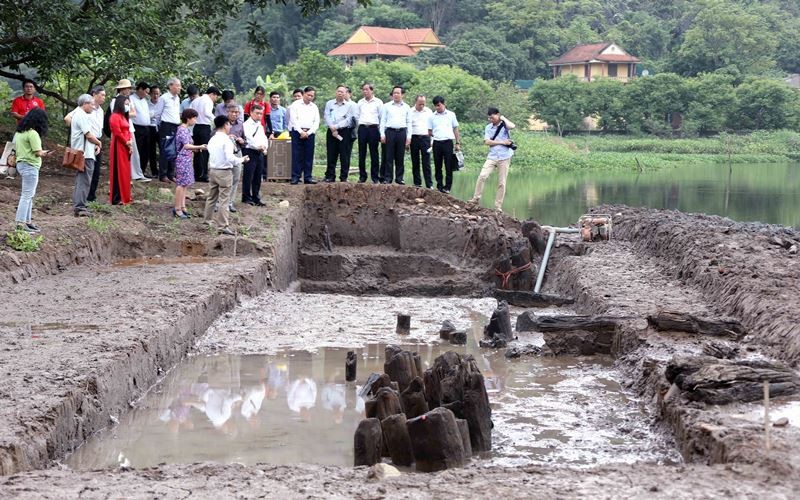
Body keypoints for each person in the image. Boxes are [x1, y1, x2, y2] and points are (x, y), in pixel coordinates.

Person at [204, 115, 249, 235]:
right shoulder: (226, 140)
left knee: (211, 197)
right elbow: (230, 158)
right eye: (229, 124)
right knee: (224, 200)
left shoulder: (212, 139)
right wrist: (242, 160)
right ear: (225, 125)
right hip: (224, 172)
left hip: (213, 170)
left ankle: (207, 221)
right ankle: (222, 226)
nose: (229, 126)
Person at [13, 108, 52, 233]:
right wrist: (46, 153)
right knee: (27, 195)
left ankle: (28, 221)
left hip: (21, 164)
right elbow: (38, 152)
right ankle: (20, 223)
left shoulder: (19, 133)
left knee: (29, 194)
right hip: (30, 166)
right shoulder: (33, 133)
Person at [65, 85, 106, 202]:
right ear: (94, 95)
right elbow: (68, 119)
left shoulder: (101, 110)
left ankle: (90, 197)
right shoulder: (81, 112)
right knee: (85, 175)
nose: (104, 98)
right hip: (88, 143)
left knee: (94, 172)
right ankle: (81, 202)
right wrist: (78, 131)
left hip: (95, 141)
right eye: (102, 95)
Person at [471, 108, 516, 211]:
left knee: (502, 182)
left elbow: (512, 126)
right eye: (489, 117)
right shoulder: (488, 128)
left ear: (498, 115)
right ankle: (476, 198)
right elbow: (487, 142)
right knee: (482, 176)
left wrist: (503, 118)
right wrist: (502, 142)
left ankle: (498, 206)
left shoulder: (505, 125)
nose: (491, 119)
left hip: (504, 156)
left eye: (493, 117)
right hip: (492, 156)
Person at [71, 94, 103, 217]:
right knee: (84, 180)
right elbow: (88, 135)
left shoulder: (78, 114)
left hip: (81, 151)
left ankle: (79, 204)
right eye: (91, 104)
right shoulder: (81, 115)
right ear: (85, 104)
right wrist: (98, 142)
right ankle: (80, 207)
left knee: (81, 179)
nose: (93, 107)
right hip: (85, 153)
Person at [173, 108, 206, 218]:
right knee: (181, 184)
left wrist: (195, 148)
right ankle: (177, 208)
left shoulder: (185, 129)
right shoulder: (182, 129)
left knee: (185, 184)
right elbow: (186, 145)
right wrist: (199, 146)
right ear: (188, 118)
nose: (195, 120)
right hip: (182, 159)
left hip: (186, 158)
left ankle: (182, 206)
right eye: (194, 118)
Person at [428, 95, 461, 194]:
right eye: (435, 106)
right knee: (438, 165)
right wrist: (437, 135)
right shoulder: (432, 116)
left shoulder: (451, 115)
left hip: (448, 142)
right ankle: (439, 186)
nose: (437, 107)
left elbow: (455, 129)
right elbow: (429, 131)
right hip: (437, 143)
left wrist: (457, 143)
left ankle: (448, 187)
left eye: (439, 105)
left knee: (448, 165)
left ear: (443, 104)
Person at [379, 86, 412, 185]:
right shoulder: (386, 106)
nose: (396, 95)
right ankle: (388, 178)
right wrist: (382, 134)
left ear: (402, 95)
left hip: (402, 132)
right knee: (388, 156)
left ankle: (399, 178)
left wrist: (409, 136)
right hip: (390, 132)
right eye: (394, 93)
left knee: (400, 156)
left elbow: (409, 122)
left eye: (398, 93)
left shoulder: (406, 107)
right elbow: (383, 121)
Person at [323, 85, 356, 183]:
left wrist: (336, 127)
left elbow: (349, 119)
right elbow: (327, 116)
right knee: (331, 153)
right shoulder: (329, 103)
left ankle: (343, 177)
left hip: (344, 131)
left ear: (346, 93)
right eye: (338, 91)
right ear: (335, 92)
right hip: (331, 131)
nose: (340, 93)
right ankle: (330, 176)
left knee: (344, 155)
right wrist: (332, 127)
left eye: (342, 92)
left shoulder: (350, 105)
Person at [287, 86, 319, 185]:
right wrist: (301, 132)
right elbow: (293, 120)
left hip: (310, 132)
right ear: (304, 94)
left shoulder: (314, 106)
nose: (310, 97)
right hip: (297, 132)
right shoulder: (295, 105)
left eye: (312, 96)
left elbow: (317, 121)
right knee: (296, 154)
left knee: (308, 155)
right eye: (308, 95)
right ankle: (295, 176)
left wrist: (308, 133)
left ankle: (308, 177)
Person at [154, 77, 182, 183]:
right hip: (166, 125)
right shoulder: (164, 98)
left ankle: (171, 173)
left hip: (175, 125)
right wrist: (160, 126)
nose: (179, 88)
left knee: (174, 150)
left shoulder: (177, 98)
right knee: (165, 150)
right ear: (170, 86)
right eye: (177, 85)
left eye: (179, 85)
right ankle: (163, 174)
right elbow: (157, 114)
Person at [190, 86, 219, 182]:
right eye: (216, 97)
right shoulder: (208, 101)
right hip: (204, 127)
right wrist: (216, 120)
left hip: (196, 127)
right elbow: (207, 113)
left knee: (197, 150)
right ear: (212, 94)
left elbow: (190, 112)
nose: (215, 99)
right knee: (205, 151)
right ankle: (204, 174)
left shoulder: (196, 100)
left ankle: (196, 174)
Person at [355, 83, 383, 183]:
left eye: (367, 89)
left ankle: (375, 177)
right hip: (362, 128)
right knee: (362, 153)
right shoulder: (360, 102)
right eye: (363, 90)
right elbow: (357, 116)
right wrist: (361, 124)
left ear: (372, 90)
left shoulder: (378, 102)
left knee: (374, 153)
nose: (365, 91)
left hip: (374, 129)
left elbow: (381, 117)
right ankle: (362, 176)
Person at [241, 104, 269, 205]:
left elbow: (264, 137)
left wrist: (264, 147)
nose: (259, 115)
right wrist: (258, 146)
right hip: (250, 151)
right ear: (251, 113)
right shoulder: (246, 125)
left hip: (259, 152)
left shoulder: (260, 125)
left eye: (261, 114)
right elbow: (249, 139)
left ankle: (256, 197)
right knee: (249, 175)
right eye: (257, 113)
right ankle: (246, 197)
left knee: (258, 175)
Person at [108, 95, 133, 205]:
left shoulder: (124, 116)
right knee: (119, 170)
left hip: (126, 145)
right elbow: (117, 132)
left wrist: (130, 143)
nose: (127, 106)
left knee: (125, 171)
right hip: (119, 145)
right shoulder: (114, 116)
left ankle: (126, 196)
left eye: (128, 104)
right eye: (126, 104)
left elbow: (128, 130)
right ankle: (117, 197)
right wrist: (126, 142)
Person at [131, 81, 154, 178]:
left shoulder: (144, 101)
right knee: (137, 150)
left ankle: (142, 171)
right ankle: (135, 172)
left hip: (146, 128)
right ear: (140, 89)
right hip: (137, 127)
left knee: (146, 151)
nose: (147, 94)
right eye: (146, 92)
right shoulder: (131, 99)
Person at [409, 95, 433, 188]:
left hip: (425, 138)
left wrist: (432, 140)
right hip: (414, 138)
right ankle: (417, 183)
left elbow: (432, 127)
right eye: (420, 104)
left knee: (426, 162)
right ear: (416, 102)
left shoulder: (429, 111)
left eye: (423, 103)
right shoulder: (410, 111)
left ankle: (429, 184)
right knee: (415, 161)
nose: (422, 106)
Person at [226, 104, 245, 213]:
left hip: (237, 152)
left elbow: (245, 140)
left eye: (236, 112)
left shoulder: (241, 125)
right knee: (223, 178)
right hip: (224, 154)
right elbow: (214, 134)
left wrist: (241, 141)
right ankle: (220, 202)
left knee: (236, 178)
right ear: (227, 112)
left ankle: (230, 202)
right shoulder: (222, 123)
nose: (234, 114)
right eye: (232, 112)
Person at [146, 85, 161, 177]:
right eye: (154, 94)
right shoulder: (146, 103)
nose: (155, 96)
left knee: (163, 149)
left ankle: (163, 171)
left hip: (160, 127)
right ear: (150, 94)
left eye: (157, 94)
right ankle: (154, 171)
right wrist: (152, 115)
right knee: (151, 151)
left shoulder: (162, 103)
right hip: (150, 127)